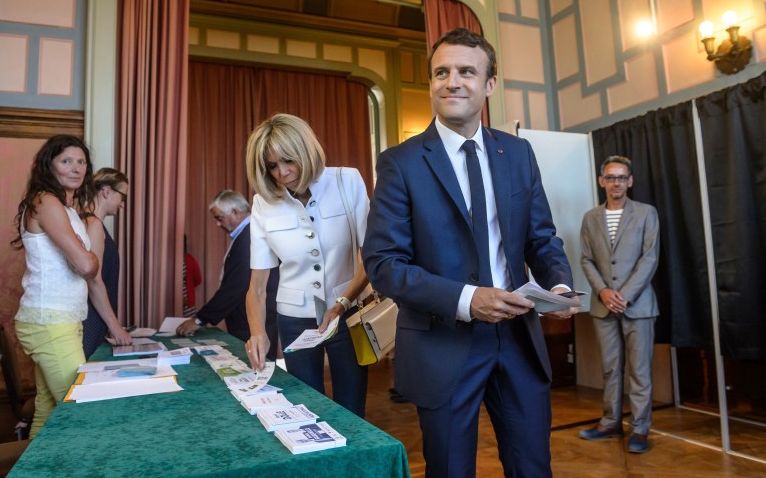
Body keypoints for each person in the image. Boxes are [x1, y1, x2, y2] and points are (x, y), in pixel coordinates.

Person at [362, 27, 577, 478]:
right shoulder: (400, 162)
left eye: (465, 71)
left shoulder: (517, 153)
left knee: (533, 467)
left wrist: (558, 285)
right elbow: (384, 265)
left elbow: (542, 238)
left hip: (519, 337)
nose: (452, 81)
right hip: (443, 342)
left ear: (489, 85)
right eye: (441, 72)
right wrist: (467, 299)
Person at [244, 113, 371, 417]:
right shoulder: (263, 203)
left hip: (348, 314)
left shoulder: (347, 180)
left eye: (289, 160)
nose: (283, 173)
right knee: (304, 410)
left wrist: (341, 304)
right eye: (272, 166)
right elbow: (257, 287)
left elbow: (369, 258)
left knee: (351, 410)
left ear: (306, 151)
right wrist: (257, 332)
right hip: (294, 320)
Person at [12, 135, 129, 438]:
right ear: (48, 165)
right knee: (83, 410)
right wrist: (85, 254)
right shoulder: (45, 201)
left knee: (49, 409)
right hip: (50, 321)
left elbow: (86, 266)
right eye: (66, 161)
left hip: (62, 319)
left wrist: (83, 254)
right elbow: (87, 266)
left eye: (81, 162)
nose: (76, 168)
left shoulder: (67, 208)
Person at [578, 155, 660, 454]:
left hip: (637, 306)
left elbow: (649, 258)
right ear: (602, 181)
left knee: (639, 370)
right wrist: (602, 292)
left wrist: (623, 295)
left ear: (630, 181)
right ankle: (610, 423)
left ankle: (640, 429)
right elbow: (586, 259)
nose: (616, 182)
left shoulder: (647, 213)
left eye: (622, 177)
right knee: (611, 369)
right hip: (603, 307)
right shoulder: (590, 218)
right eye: (611, 177)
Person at [176, 191, 279, 360]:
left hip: (251, 323)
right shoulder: (246, 234)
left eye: (219, 218)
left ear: (235, 213)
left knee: (255, 371)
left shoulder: (250, 236)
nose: (217, 224)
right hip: (248, 320)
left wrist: (199, 320)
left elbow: (234, 287)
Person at [81, 168, 133, 358]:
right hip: (91, 317)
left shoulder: (89, 222)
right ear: (106, 191)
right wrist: (116, 327)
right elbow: (94, 281)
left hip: (94, 314)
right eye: (123, 197)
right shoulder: (93, 226)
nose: (122, 205)